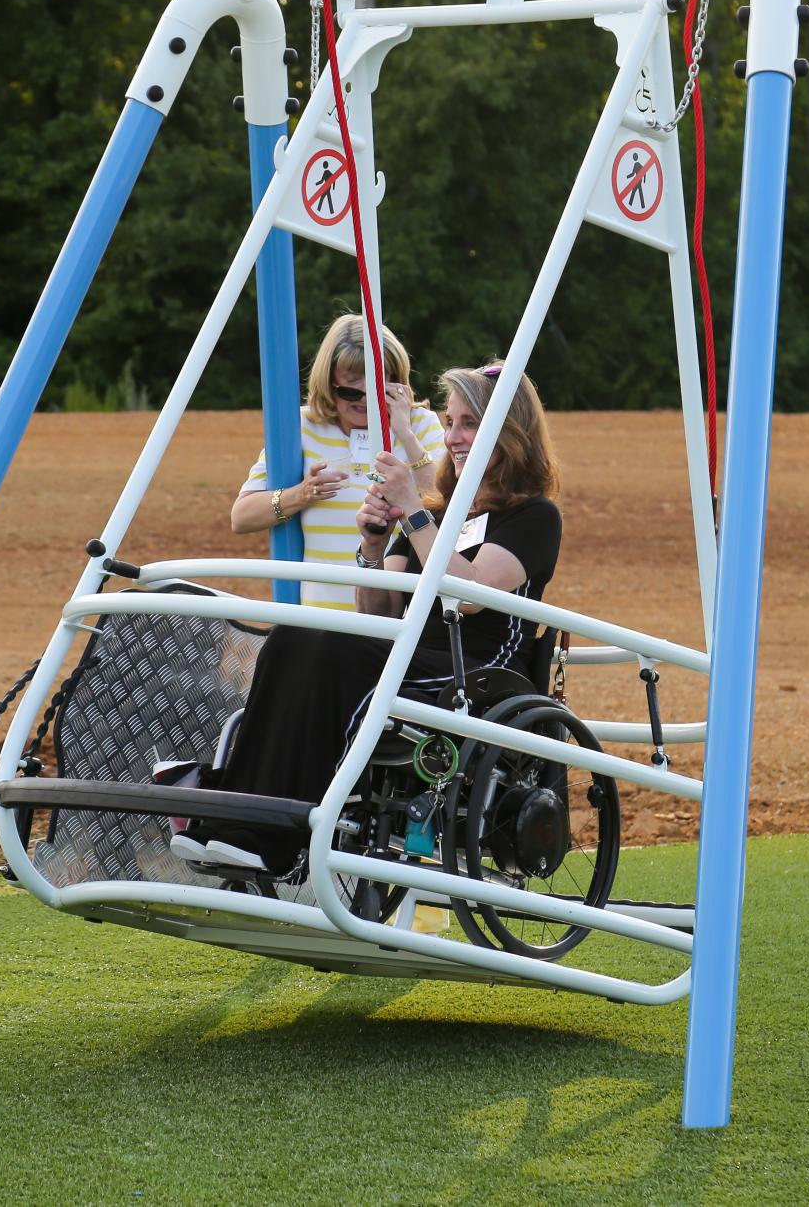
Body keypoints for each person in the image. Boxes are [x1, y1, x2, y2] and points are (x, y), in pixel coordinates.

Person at [177, 363, 563, 873]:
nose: (453, 437)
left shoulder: (532, 516)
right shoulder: (437, 512)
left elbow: (470, 595)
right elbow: (376, 607)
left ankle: (272, 839)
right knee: (295, 636)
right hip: (407, 649)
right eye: (449, 422)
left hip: (473, 670)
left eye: (469, 423)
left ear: (510, 431)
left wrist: (414, 511)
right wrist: (373, 545)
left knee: (335, 651)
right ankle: (237, 820)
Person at [231, 314, 444, 612]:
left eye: (378, 392)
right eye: (350, 391)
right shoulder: (302, 426)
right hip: (321, 617)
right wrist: (302, 493)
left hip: (399, 617)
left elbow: (447, 502)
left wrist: (404, 433)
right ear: (328, 382)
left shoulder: (419, 424)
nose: (364, 402)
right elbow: (241, 517)